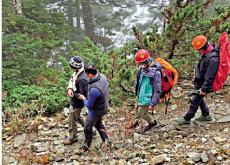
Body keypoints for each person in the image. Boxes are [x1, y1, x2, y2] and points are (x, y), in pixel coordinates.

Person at [175, 35, 219, 124]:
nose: (198, 51)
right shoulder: (207, 51)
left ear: (203, 47)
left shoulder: (213, 58)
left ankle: (187, 118)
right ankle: (206, 115)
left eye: (198, 49)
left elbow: (210, 75)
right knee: (198, 98)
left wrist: (204, 88)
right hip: (199, 80)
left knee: (195, 99)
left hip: (204, 83)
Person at [128, 49, 162, 134]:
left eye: (141, 63)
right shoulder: (141, 70)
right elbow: (138, 83)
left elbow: (158, 90)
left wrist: (152, 103)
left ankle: (153, 123)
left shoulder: (155, 73)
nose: (140, 65)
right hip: (141, 95)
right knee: (138, 110)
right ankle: (136, 123)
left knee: (142, 113)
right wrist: (137, 96)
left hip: (148, 98)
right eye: (139, 63)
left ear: (147, 61)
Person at [78, 65, 111, 151]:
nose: (86, 76)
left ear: (90, 75)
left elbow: (89, 105)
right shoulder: (103, 77)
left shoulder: (94, 89)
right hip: (104, 105)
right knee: (98, 123)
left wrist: (84, 98)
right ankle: (106, 140)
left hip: (96, 109)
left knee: (87, 126)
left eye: (86, 74)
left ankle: (87, 144)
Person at [63, 56, 88, 145]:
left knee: (72, 120)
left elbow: (83, 95)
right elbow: (72, 79)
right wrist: (70, 88)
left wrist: (73, 93)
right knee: (77, 116)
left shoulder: (82, 79)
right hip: (75, 101)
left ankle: (73, 137)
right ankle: (89, 129)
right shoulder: (79, 71)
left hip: (78, 103)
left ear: (74, 67)